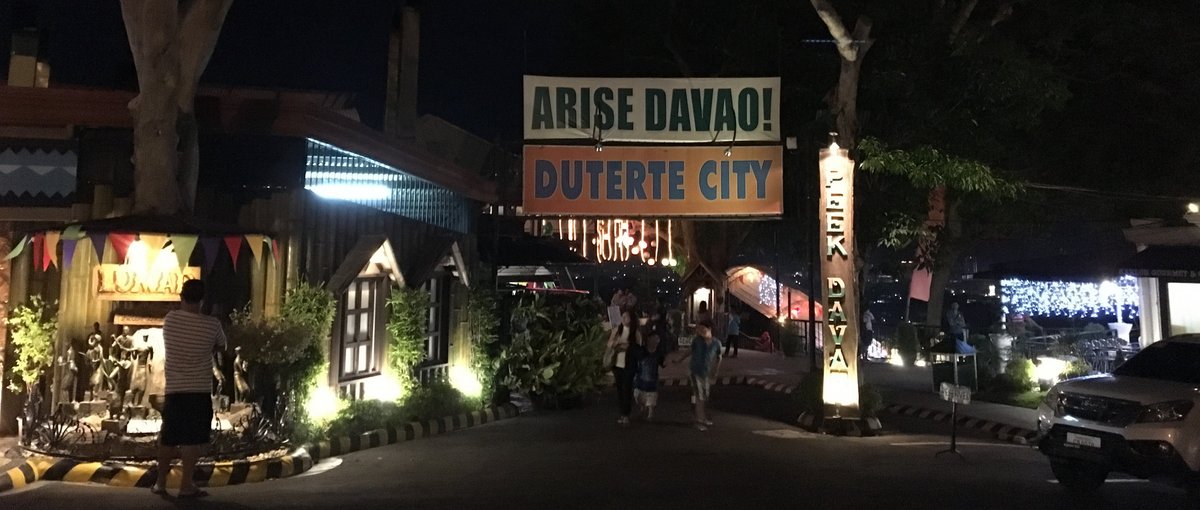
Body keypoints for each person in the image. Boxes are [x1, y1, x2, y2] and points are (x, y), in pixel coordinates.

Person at [153, 279, 227, 498]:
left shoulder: (171, 320)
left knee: (168, 438)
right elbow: (222, 345)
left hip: (175, 390)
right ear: (202, 300)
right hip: (199, 390)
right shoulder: (212, 325)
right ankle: (186, 485)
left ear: (181, 297)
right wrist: (207, 348)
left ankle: (160, 483)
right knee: (192, 440)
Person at [676, 320, 723, 431]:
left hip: (706, 373)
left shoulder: (716, 343)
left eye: (703, 329)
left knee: (705, 396)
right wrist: (679, 360)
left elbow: (719, 357)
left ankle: (703, 417)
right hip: (695, 371)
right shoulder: (697, 341)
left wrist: (715, 371)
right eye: (699, 329)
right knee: (699, 397)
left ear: (710, 329)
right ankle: (699, 420)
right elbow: (689, 351)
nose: (701, 331)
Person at [606, 309, 641, 425]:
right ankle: (622, 413)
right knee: (620, 390)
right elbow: (609, 344)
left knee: (627, 389)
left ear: (631, 319)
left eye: (626, 317)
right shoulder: (617, 330)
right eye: (623, 316)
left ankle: (626, 414)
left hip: (629, 365)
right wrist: (616, 344)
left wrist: (628, 347)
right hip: (617, 364)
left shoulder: (635, 332)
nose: (624, 319)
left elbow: (639, 348)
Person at [629, 334, 666, 421]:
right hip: (640, 378)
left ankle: (650, 413)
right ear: (648, 339)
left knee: (651, 396)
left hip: (652, 379)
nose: (655, 342)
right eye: (654, 339)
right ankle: (643, 408)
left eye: (657, 340)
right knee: (638, 396)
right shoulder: (641, 351)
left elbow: (663, 363)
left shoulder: (659, 353)